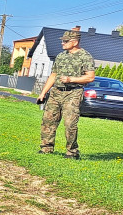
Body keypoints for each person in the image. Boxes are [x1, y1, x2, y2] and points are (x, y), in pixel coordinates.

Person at [36, 27, 96, 159]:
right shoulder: (61, 56)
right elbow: (53, 75)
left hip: (73, 93)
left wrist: (71, 79)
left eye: (65, 41)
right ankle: (46, 148)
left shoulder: (85, 56)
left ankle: (72, 152)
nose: (62, 43)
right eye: (62, 41)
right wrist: (43, 93)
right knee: (48, 120)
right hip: (56, 92)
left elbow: (90, 77)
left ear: (75, 42)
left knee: (70, 124)